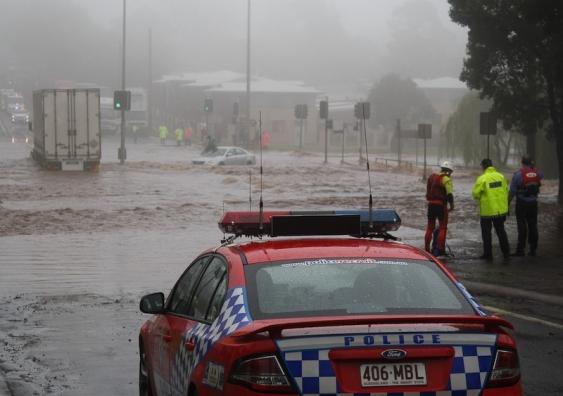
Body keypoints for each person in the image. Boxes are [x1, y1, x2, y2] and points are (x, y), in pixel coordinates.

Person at [472, 158, 510, 260]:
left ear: (483, 166)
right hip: (501, 210)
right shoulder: (501, 176)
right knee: (501, 231)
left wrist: (482, 197)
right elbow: (506, 190)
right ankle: (506, 253)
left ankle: (488, 254)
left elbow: (475, 194)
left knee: (486, 233)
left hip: (487, 211)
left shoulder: (482, 178)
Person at [509, 155, 543, 256]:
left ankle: (520, 250)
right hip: (533, 203)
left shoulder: (518, 175)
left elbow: (512, 192)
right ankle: (533, 249)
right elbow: (541, 175)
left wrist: (507, 204)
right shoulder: (538, 173)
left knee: (522, 226)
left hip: (522, 203)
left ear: (522, 162)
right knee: (533, 225)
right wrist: (532, 168)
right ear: (531, 162)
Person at [424, 161, 454, 256]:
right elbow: (449, 194)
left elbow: (428, 190)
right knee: (442, 228)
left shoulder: (432, 177)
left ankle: (427, 249)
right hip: (441, 205)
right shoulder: (446, 179)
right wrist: (452, 205)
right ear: (449, 171)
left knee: (430, 227)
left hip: (431, 205)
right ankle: (441, 250)